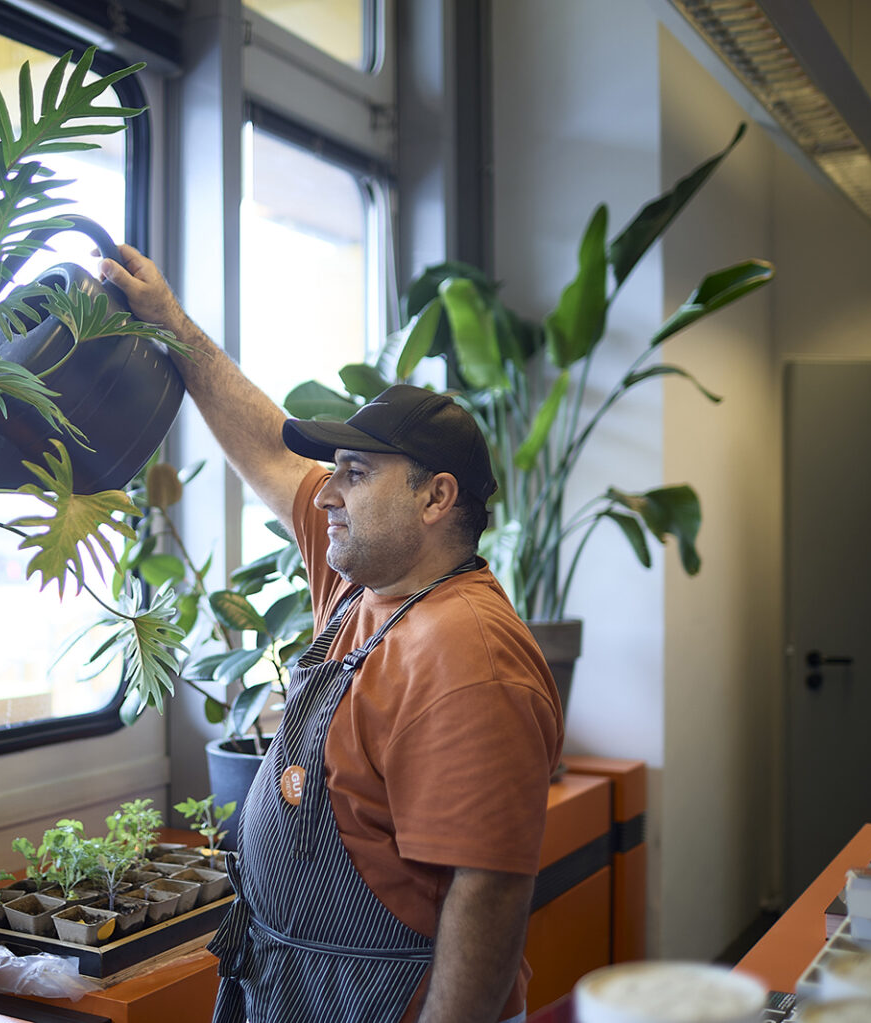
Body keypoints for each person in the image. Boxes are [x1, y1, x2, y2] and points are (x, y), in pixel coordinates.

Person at [100, 245, 564, 1023]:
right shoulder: (360, 579)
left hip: (388, 1002)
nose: (326, 497)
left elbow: (488, 894)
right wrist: (171, 323)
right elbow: (266, 448)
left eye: (354, 472)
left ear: (434, 496)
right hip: (299, 989)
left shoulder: (467, 653)